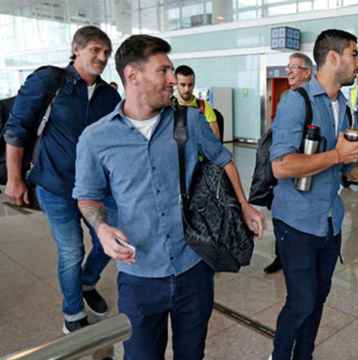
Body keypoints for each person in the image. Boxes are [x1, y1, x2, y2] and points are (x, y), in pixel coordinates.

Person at [73, 34, 264, 359]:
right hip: (139, 277)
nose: (172, 80)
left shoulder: (188, 120)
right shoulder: (96, 138)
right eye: (163, 71)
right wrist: (101, 229)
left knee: (192, 354)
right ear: (133, 75)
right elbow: (87, 197)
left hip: (193, 266)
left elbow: (223, 158)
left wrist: (244, 206)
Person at [269, 29, 358, 360]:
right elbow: (281, 166)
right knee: (301, 301)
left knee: (318, 299)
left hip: (330, 223)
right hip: (297, 223)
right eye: (354, 54)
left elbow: (352, 170)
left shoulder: (345, 109)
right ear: (333, 57)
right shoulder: (297, 101)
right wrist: (336, 155)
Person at [3, 25, 121, 334]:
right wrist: (14, 179)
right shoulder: (49, 81)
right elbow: (17, 128)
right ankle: (72, 313)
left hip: (95, 188)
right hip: (54, 184)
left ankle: (85, 282)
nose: (102, 57)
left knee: (107, 240)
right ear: (77, 49)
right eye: (95, 50)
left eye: (106, 53)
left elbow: (114, 140)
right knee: (71, 250)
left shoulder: (109, 95)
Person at [263, 52, 313, 275]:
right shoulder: (288, 97)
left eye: (295, 67)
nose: (289, 71)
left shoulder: (312, 101)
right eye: (288, 66)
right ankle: (280, 256)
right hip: (280, 165)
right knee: (278, 208)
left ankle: (292, 258)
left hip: (301, 167)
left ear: (308, 72)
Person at [174, 64, 221, 138]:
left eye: (190, 85)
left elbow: (216, 136)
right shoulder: (168, 106)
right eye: (183, 85)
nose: (187, 89)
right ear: (176, 84)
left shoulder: (204, 106)